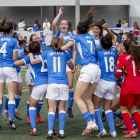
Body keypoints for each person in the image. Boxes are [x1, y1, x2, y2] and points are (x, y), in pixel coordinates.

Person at [60, 7, 100, 135]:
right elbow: (94, 51)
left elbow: (64, 48)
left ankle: (89, 123)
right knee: (87, 98)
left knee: (77, 98)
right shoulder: (91, 37)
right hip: (96, 69)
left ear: (77, 30)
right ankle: (94, 124)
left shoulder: (76, 37)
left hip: (88, 68)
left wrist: (56, 45)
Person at [28, 37, 74, 138]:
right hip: (63, 83)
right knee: (61, 108)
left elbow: (33, 61)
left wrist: (30, 54)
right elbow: (72, 67)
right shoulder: (66, 54)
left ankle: (49, 132)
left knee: (52, 109)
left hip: (52, 83)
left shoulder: (47, 53)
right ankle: (61, 132)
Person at [14, 41, 48, 135]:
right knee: (51, 107)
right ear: (40, 48)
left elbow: (16, 63)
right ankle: (51, 130)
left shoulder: (30, 57)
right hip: (50, 84)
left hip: (39, 84)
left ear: (29, 49)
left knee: (32, 105)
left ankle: (34, 129)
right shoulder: (45, 55)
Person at [93, 23, 117, 138]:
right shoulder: (114, 52)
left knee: (95, 106)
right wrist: (107, 29)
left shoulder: (99, 53)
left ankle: (102, 129)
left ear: (101, 45)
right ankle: (112, 131)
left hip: (102, 81)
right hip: (112, 82)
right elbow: (113, 38)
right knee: (107, 108)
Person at [52, 7, 77, 118]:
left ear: (67, 26)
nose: (63, 25)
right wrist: (60, 13)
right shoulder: (56, 33)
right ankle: (57, 108)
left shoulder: (72, 35)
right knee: (59, 85)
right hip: (58, 62)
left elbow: (74, 51)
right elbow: (53, 23)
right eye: (61, 23)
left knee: (70, 85)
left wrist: (73, 63)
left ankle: (69, 109)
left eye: (65, 24)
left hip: (68, 61)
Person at [115, 40, 140, 138]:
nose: (120, 47)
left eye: (121, 45)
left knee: (123, 109)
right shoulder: (137, 57)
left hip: (128, 87)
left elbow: (118, 73)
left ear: (124, 47)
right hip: (137, 85)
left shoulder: (121, 57)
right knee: (134, 109)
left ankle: (132, 132)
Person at [0, 16, 19, 129]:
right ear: (11, 30)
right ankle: (11, 119)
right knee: (11, 95)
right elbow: (14, 58)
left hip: (0, 68)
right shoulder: (14, 41)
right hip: (9, 68)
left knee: (0, 96)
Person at [2, 33, 26, 121]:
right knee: (11, 92)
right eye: (20, 37)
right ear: (16, 39)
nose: (22, 38)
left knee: (19, 92)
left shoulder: (23, 47)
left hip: (18, 72)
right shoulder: (13, 45)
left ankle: (14, 111)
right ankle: (5, 111)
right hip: (11, 70)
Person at [25, 34, 44, 124]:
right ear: (31, 42)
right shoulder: (30, 51)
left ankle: (36, 114)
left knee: (41, 98)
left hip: (40, 76)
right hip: (31, 75)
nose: (38, 39)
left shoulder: (41, 50)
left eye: (38, 38)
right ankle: (28, 115)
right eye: (35, 39)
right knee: (33, 96)